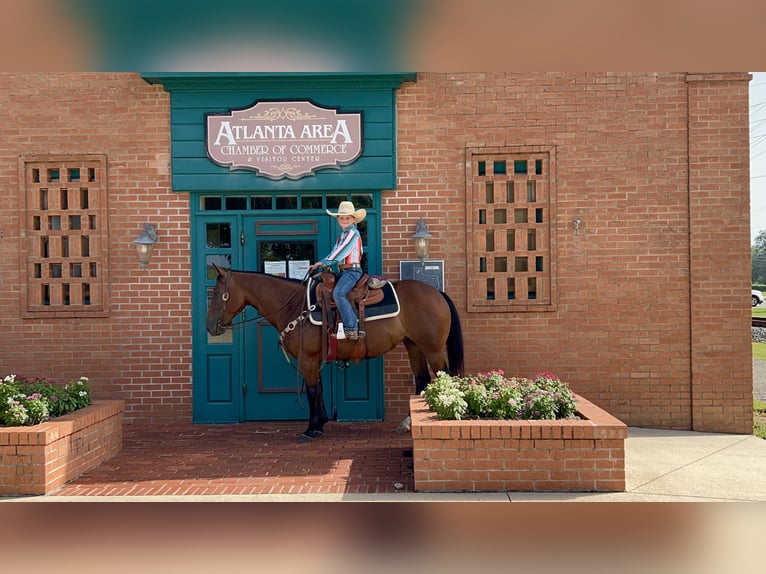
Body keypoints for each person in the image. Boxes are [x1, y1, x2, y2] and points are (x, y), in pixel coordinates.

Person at [309, 201, 366, 340]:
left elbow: (340, 252)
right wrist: (323, 264)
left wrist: (321, 263)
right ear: (338, 220)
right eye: (341, 217)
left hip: (352, 271)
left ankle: (352, 328)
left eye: (347, 217)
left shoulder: (353, 233)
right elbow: (335, 251)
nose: (344, 220)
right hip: (343, 271)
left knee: (339, 293)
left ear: (353, 219)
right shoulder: (341, 236)